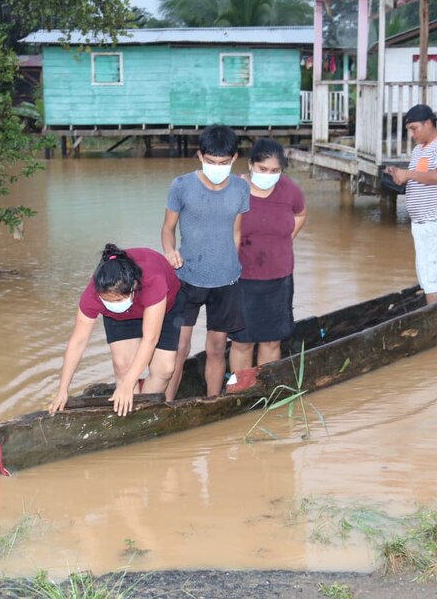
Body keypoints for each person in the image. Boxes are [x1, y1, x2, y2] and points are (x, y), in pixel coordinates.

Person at [161, 124, 250, 400]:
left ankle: (213, 402)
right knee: (179, 347)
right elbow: (167, 229)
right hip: (186, 278)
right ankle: (166, 404)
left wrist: (230, 264)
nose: (217, 167)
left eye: (223, 162)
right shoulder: (181, 186)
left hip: (226, 281)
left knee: (216, 347)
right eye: (211, 162)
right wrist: (169, 250)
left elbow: (236, 231)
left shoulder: (240, 188)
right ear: (199, 156)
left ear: (234, 159)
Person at [47, 244, 185, 417]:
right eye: (107, 300)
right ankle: (128, 415)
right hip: (122, 319)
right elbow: (78, 342)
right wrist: (63, 389)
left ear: (133, 287)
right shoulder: (93, 294)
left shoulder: (153, 281)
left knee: (164, 369)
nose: (113, 304)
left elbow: (150, 339)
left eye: (118, 300)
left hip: (164, 306)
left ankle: (145, 413)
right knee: (123, 366)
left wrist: (127, 385)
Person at [229, 139, 307, 372]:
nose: (269, 175)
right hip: (243, 278)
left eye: (275, 171)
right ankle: (241, 391)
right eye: (263, 169)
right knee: (243, 341)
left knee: (272, 340)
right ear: (251, 165)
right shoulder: (234, 188)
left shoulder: (289, 189)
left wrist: (285, 240)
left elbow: (301, 214)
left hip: (279, 278)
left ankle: (267, 391)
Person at [384, 104, 437, 305]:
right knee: (429, 276)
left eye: (414, 128)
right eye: (409, 130)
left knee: (434, 276)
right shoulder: (419, 150)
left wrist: (408, 174)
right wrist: (399, 176)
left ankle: (433, 319)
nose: (412, 134)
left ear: (428, 124)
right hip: (422, 224)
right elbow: (420, 177)